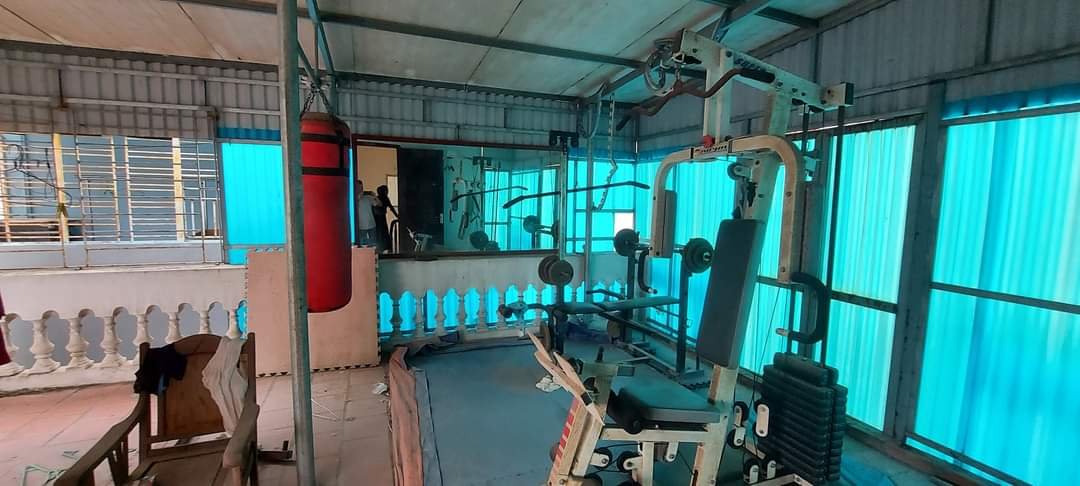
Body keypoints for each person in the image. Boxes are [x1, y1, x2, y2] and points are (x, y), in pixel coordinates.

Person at [373, 185, 399, 253]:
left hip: (376, 218)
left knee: (379, 233)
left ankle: (379, 248)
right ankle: (386, 247)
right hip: (381, 217)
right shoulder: (385, 198)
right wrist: (398, 216)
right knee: (384, 232)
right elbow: (391, 208)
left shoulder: (376, 198)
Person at [355, 180, 377, 247]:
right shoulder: (353, 198)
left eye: (361, 187)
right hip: (360, 226)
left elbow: (380, 204)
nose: (360, 189)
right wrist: (358, 197)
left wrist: (374, 196)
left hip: (371, 225)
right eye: (358, 187)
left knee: (373, 245)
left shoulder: (368, 197)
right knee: (362, 246)